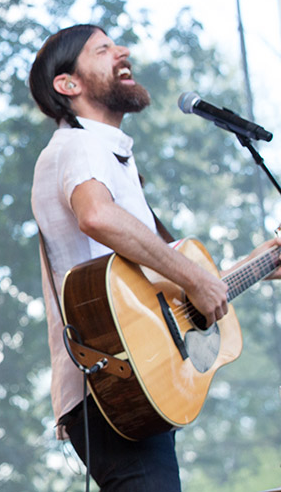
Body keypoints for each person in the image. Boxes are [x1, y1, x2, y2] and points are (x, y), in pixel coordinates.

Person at [28, 24, 280, 490]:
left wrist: (256, 263)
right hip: (113, 382)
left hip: (134, 377)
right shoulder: (79, 144)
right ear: (69, 84)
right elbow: (98, 217)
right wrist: (197, 279)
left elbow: (160, 297)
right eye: (103, 49)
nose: (123, 51)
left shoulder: (106, 153)